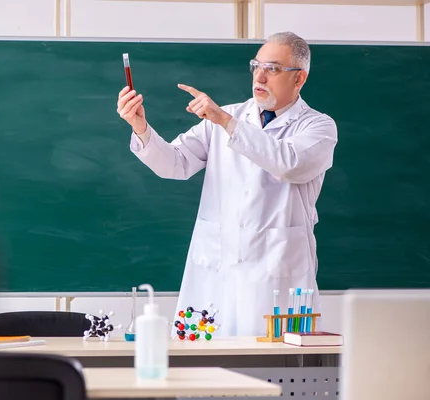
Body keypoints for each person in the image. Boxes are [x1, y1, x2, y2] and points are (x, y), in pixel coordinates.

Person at [116, 31, 338, 337]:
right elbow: (175, 164)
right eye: (255, 66)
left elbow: (289, 164)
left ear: (299, 79)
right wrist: (140, 127)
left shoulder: (318, 126)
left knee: (278, 372)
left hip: (278, 279)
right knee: (204, 370)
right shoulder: (229, 116)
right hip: (215, 274)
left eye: (272, 69)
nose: (259, 76)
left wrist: (226, 122)